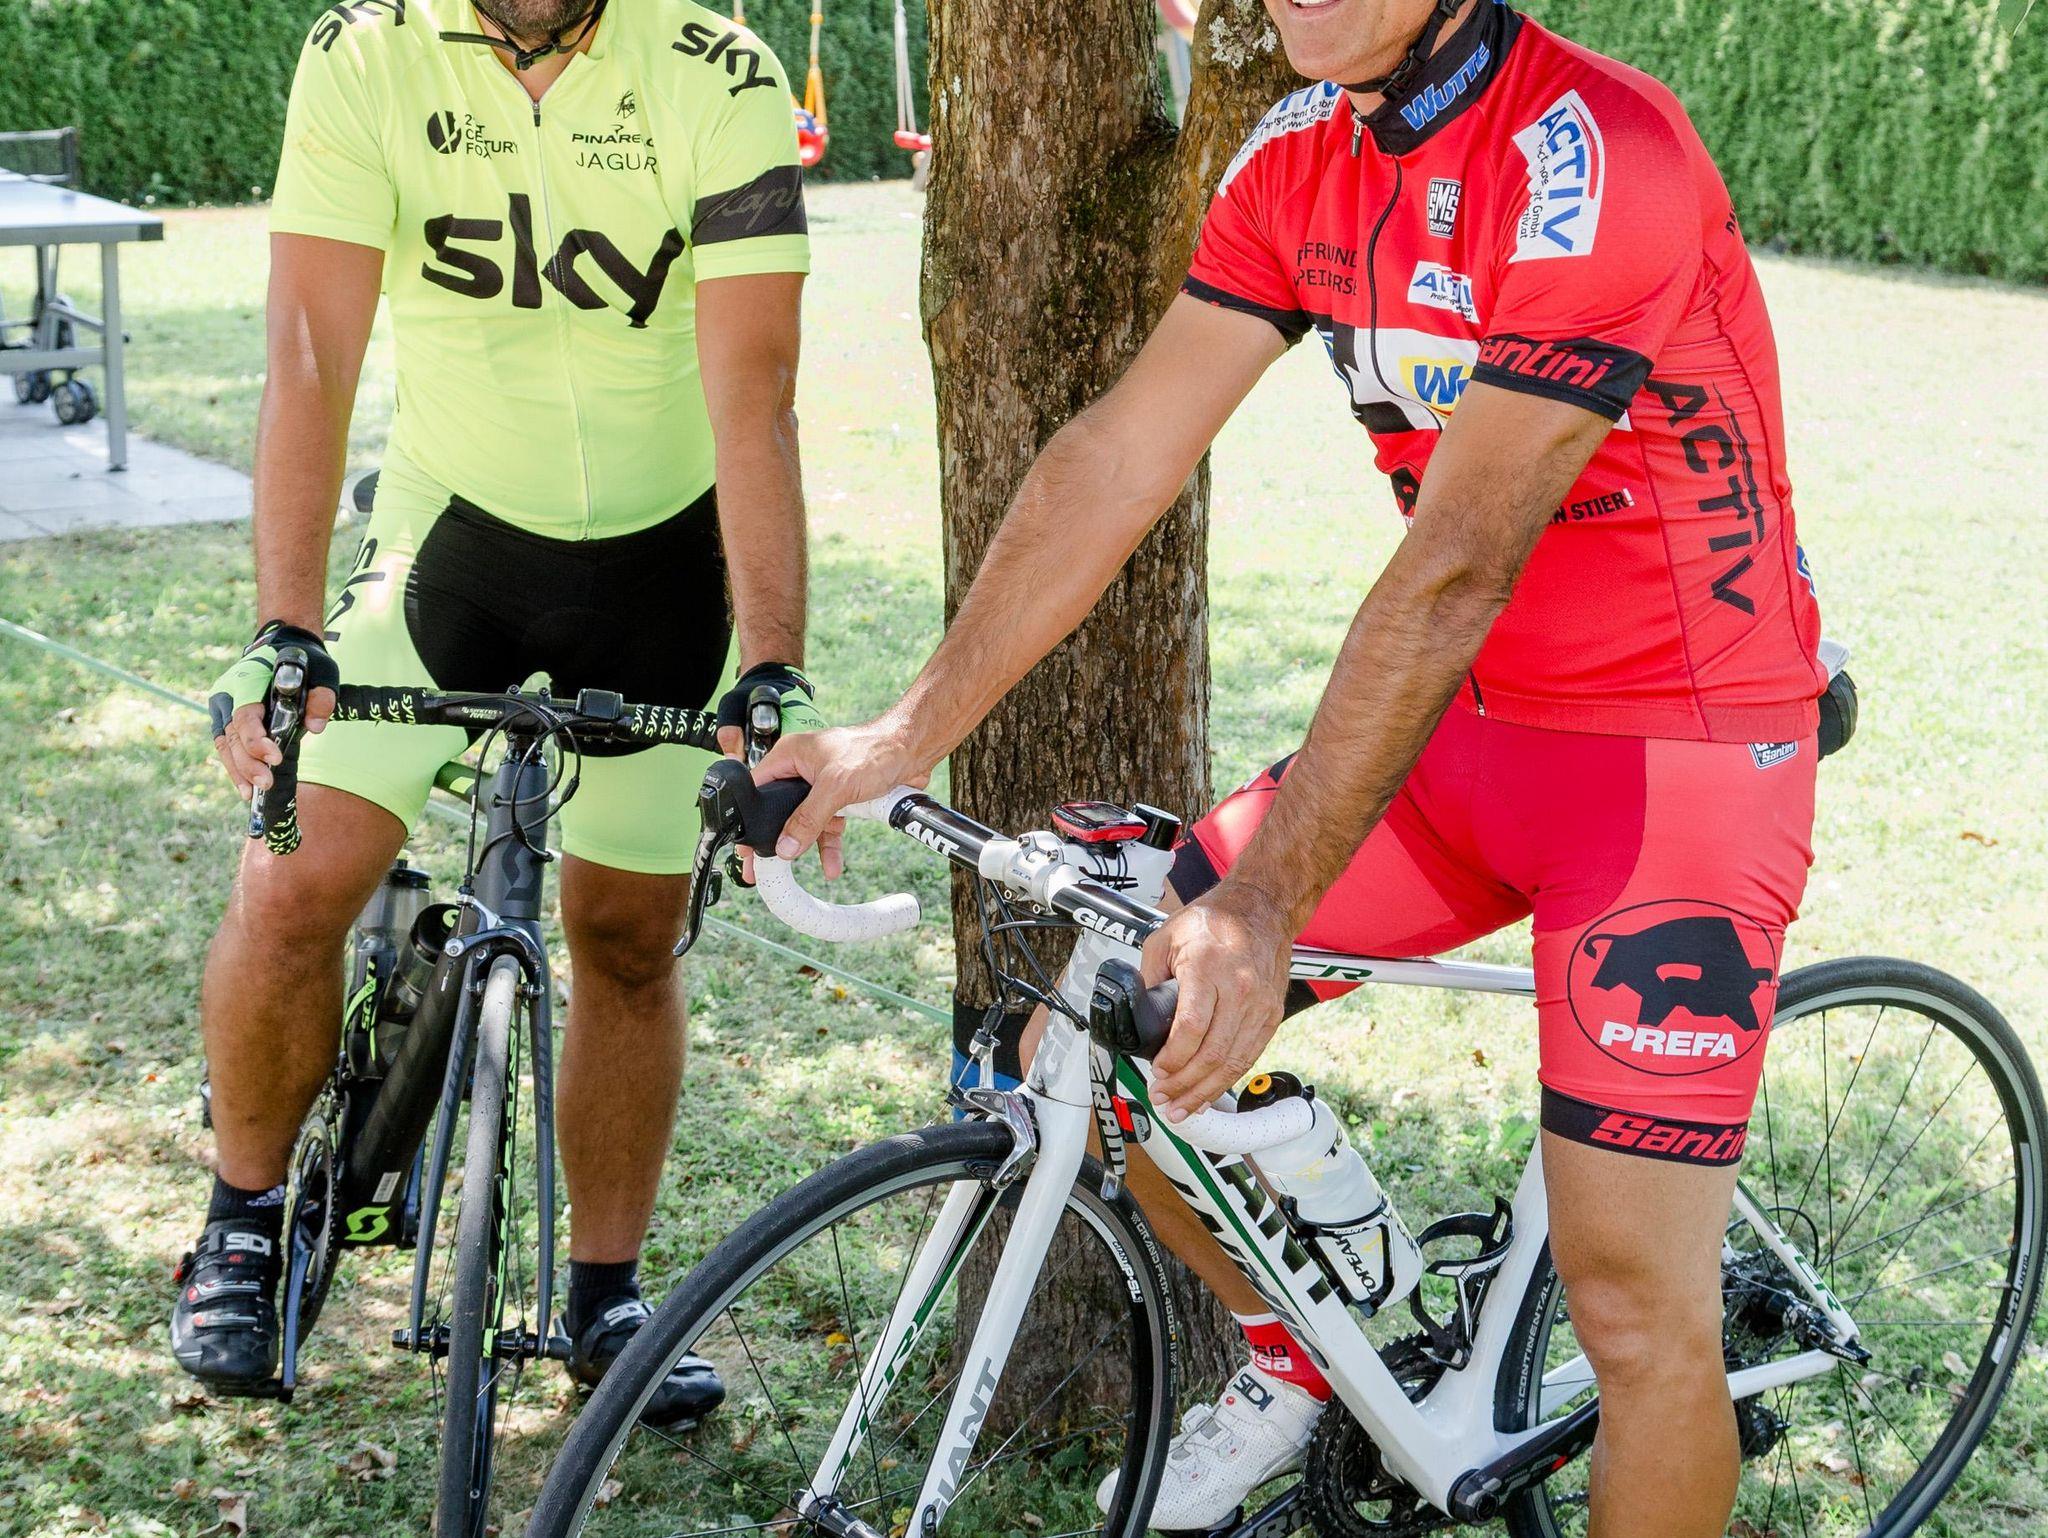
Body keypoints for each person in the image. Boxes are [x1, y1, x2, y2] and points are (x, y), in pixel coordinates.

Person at [758, 1, 1826, 1532]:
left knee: (1634, 1309)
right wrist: (898, 734)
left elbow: (1454, 568)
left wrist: (1263, 901)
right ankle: (1299, 1342)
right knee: (1113, 1015)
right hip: (1470, 732)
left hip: (1677, 763)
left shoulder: (1602, 156)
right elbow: (1123, 454)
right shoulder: (1297, 153)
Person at [171, 0, 828, 1426]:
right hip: (448, 543)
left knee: (629, 938)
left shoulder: (721, 70)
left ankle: (603, 1294)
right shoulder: (364, 51)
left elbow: (755, 390)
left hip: (669, 564)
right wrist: (285, 626)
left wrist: (772, 662)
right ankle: (243, 1219)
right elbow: (310, 355)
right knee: (295, 877)